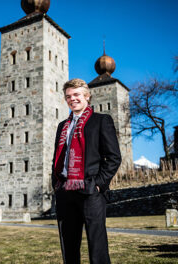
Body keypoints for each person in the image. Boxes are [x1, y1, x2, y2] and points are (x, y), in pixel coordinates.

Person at [52, 78, 121, 264]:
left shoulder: (101, 121)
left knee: (97, 245)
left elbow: (114, 158)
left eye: (76, 95)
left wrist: (98, 184)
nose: (72, 99)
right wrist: (56, 185)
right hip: (65, 191)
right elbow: (58, 159)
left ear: (87, 97)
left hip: (90, 190)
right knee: (69, 245)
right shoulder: (62, 127)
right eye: (68, 96)